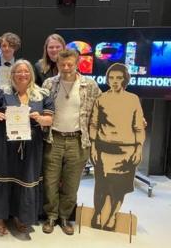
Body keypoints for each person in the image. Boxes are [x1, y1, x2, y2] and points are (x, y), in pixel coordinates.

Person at [0, 60, 54, 237]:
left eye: (26, 72)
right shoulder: (1, 92)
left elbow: (50, 120)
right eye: (18, 72)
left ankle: (20, 216)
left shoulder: (42, 94)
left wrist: (39, 118)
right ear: (12, 75)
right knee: (4, 178)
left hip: (31, 146)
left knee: (25, 179)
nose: (22, 75)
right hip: (5, 145)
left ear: (31, 73)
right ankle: (0, 218)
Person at [41, 49, 101, 235]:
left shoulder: (89, 85)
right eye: (62, 64)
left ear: (77, 63)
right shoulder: (49, 84)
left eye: (70, 64)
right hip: (54, 139)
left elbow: (105, 109)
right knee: (50, 182)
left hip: (78, 140)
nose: (66, 68)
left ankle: (65, 217)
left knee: (71, 183)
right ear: (57, 64)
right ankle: (51, 216)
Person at [89, 63, 145, 231]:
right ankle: (98, 214)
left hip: (127, 151)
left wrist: (139, 148)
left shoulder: (133, 99)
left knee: (119, 188)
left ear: (124, 79)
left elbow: (138, 127)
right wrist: (93, 146)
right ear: (107, 79)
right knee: (102, 186)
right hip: (104, 149)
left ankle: (112, 217)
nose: (114, 81)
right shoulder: (101, 99)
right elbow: (93, 124)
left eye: (118, 78)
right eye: (111, 78)